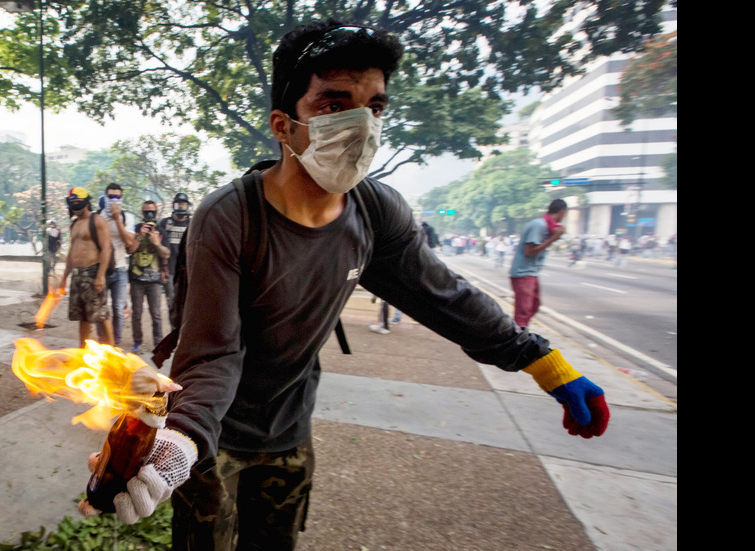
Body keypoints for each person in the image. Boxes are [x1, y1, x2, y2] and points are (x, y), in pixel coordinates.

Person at [94, 21, 610, 549]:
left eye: (376, 107)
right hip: (212, 431)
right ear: (283, 125)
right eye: (333, 104)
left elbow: (445, 296)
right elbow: (212, 353)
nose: (361, 126)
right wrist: (181, 442)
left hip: (290, 427)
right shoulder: (230, 216)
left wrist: (543, 363)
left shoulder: (375, 212)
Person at [59, 187, 115, 348]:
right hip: (77, 275)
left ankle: (112, 352)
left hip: (93, 272)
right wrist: (64, 278)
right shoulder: (74, 224)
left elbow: (106, 248)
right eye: (72, 203)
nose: (75, 206)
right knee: (83, 316)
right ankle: (83, 350)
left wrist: (101, 275)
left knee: (101, 314)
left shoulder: (97, 220)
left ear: (86, 203)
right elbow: (71, 252)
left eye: (78, 203)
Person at [509, 199, 568, 328]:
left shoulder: (546, 226)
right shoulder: (539, 226)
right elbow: (529, 252)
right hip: (523, 272)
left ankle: (518, 331)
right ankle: (517, 338)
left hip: (531, 272)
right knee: (523, 311)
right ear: (562, 212)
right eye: (564, 214)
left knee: (534, 305)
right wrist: (552, 239)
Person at [97, 184, 138, 348]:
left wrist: (116, 219)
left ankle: (115, 342)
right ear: (105, 197)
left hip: (120, 269)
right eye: (111, 197)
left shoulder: (127, 217)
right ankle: (102, 342)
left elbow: (129, 242)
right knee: (101, 308)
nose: (114, 200)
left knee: (118, 309)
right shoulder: (97, 217)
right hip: (101, 269)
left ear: (121, 199)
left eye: (117, 197)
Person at [128, 200, 170, 353]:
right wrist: (140, 236)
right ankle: (137, 343)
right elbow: (129, 250)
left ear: (157, 213)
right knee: (137, 313)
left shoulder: (161, 232)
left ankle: (158, 343)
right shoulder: (135, 229)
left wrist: (156, 242)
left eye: (152, 212)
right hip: (136, 279)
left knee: (156, 314)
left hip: (155, 280)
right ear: (142, 213)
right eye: (146, 212)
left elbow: (167, 253)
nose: (149, 215)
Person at [156, 192, 192, 330]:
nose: (181, 207)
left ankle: (185, 335)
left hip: (187, 269)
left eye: (183, 204)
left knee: (187, 303)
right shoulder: (165, 223)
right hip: (170, 269)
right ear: (174, 205)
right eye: (178, 204)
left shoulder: (192, 223)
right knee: (172, 302)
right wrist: (162, 268)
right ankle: (173, 333)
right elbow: (161, 247)